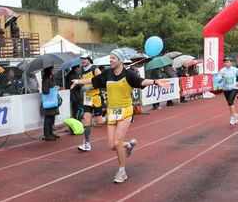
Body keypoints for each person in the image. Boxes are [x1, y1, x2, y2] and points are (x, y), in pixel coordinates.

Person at [71, 49, 170, 183]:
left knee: (117, 143)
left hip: (125, 110)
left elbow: (140, 81)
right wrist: (77, 81)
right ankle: (129, 145)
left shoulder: (128, 74)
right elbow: (93, 80)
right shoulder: (107, 74)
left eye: (113, 58)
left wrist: (156, 81)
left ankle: (122, 171)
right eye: (110, 58)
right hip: (112, 111)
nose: (110, 60)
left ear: (121, 60)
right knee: (112, 146)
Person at [78, 53, 106, 152]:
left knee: (99, 121)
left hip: (96, 98)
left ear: (89, 59)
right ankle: (87, 143)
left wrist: (90, 87)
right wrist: (82, 88)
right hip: (87, 98)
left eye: (85, 59)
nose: (83, 61)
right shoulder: (81, 71)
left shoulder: (95, 70)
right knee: (86, 118)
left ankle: (110, 118)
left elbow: (102, 82)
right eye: (82, 59)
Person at [217, 57, 238, 125]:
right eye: (225, 62)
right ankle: (235, 115)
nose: (226, 63)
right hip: (226, 89)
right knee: (230, 104)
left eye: (228, 62)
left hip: (234, 88)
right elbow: (218, 81)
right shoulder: (222, 70)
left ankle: (232, 118)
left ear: (231, 62)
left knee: (230, 101)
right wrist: (222, 77)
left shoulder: (235, 70)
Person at [41, 66, 60, 141]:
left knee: (51, 117)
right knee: (48, 118)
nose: (54, 70)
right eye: (52, 69)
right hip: (49, 101)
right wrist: (53, 88)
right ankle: (47, 134)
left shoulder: (51, 78)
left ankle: (51, 133)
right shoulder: (46, 79)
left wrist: (54, 88)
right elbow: (45, 90)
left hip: (52, 100)